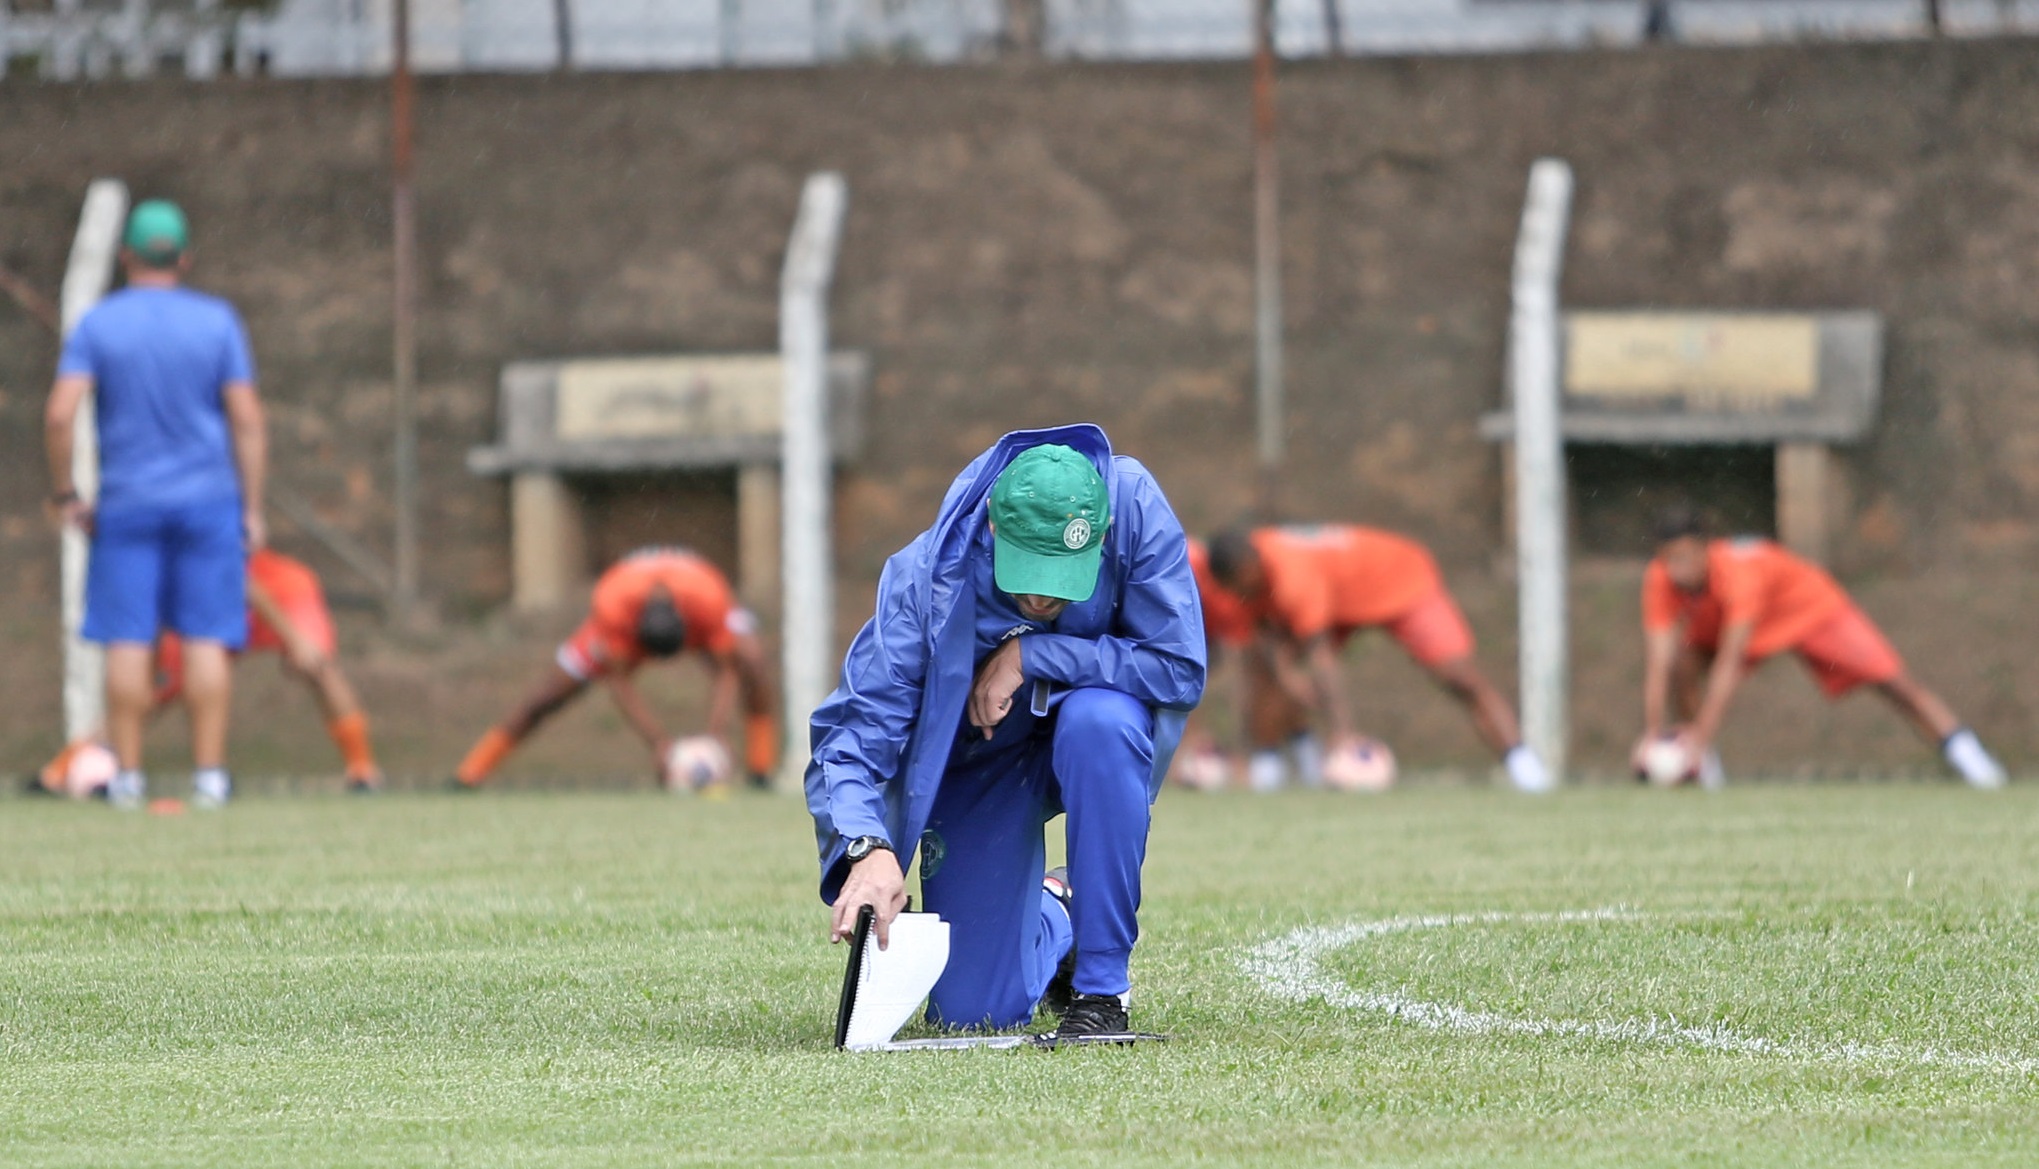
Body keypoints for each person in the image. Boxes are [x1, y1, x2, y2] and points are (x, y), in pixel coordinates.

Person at [807, 425, 1204, 1039]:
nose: (1044, 594)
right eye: (1029, 569)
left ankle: (1101, 992)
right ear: (993, 527)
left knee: (1101, 718)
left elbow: (1179, 669)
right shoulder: (926, 579)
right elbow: (855, 733)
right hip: (982, 764)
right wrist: (867, 846)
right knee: (974, 1012)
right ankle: (1058, 905)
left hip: (1093, 743)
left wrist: (1036, 658)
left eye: (1064, 573)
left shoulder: (1132, 509)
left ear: (1101, 538)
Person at [43, 199, 267, 810]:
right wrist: (251, 507)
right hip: (209, 502)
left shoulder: (99, 323)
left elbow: (61, 413)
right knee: (205, 637)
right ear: (185, 258)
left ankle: (130, 778)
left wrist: (67, 494)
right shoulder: (218, 321)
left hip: (127, 505)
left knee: (127, 640)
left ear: (126, 257)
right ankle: (210, 779)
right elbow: (246, 419)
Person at [1637, 505, 2005, 788]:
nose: (1675, 570)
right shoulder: (1660, 579)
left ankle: (1973, 761)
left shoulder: (1738, 574)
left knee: (1894, 682)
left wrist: (1702, 733)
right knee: (1681, 665)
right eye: (1667, 559)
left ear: (1707, 549)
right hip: (1732, 622)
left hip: (1808, 608)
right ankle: (1703, 771)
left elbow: (1729, 664)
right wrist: (1653, 733)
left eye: (1684, 557)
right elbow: (1658, 661)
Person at [1204, 524, 1551, 793]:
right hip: (1338, 604)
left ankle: (1524, 767)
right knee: (1266, 675)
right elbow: (1265, 638)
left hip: (1397, 582)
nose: (1238, 597)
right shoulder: (1245, 575)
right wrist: (1283, 671)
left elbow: (1320, 657)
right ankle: (1274, 772)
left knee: (1459, 676)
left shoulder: (1292, 575)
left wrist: (1343, 732)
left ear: (1251, 567)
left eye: (1240, 587)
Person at [33, 549, 384, 794]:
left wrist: (295, 639)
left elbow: (244, 580)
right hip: (216, 605)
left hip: (283, 593)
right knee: (159, 690)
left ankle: (362, 770)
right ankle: (60, 770)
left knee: (317, 666)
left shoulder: (201, 507)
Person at [453, 546, 776, 790]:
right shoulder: (612, 606)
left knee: (753, 663)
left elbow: (727, 671)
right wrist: (659, 744)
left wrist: (716, 735)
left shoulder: (708, 600)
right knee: (546, 697)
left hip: (700, 602)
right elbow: (618, 682)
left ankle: (760, 770)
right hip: (621, 619)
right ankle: (469, 774)